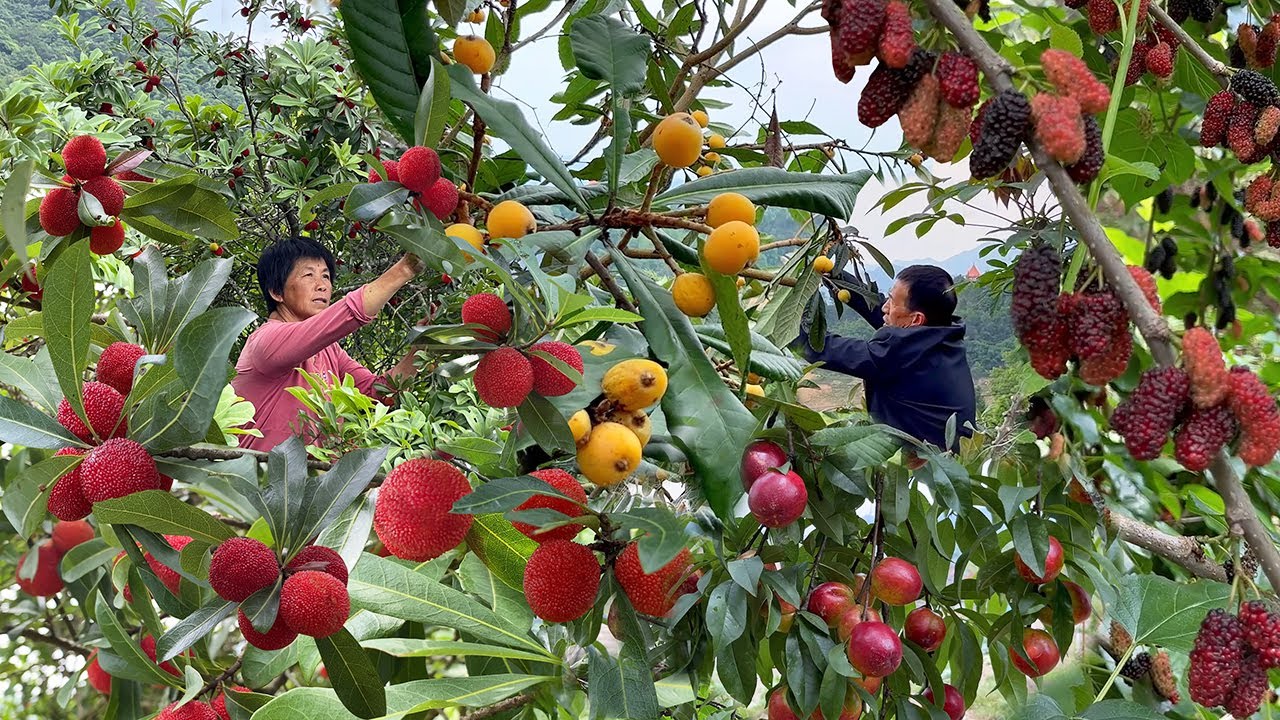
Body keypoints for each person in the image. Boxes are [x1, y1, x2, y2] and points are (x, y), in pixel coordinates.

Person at [232, 238, 424, 451]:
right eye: (308, 275)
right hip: (260, 480)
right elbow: (351, 312)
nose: (322, 285)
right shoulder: (266, 341)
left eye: (325, 276)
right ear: (277, 292)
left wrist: (422, 349)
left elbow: (379, 394)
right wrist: (405, 268)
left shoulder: (329, 351)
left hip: (320, 480)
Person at [794, 264, 976, 451]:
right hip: (960, 459)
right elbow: (877, 308)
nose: (885, 308)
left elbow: (820, 348)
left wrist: (784, 319)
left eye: (892, 301)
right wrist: (834, 274)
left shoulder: (897, 356)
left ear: (916, 320)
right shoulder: (942, 332)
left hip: (926, 469)